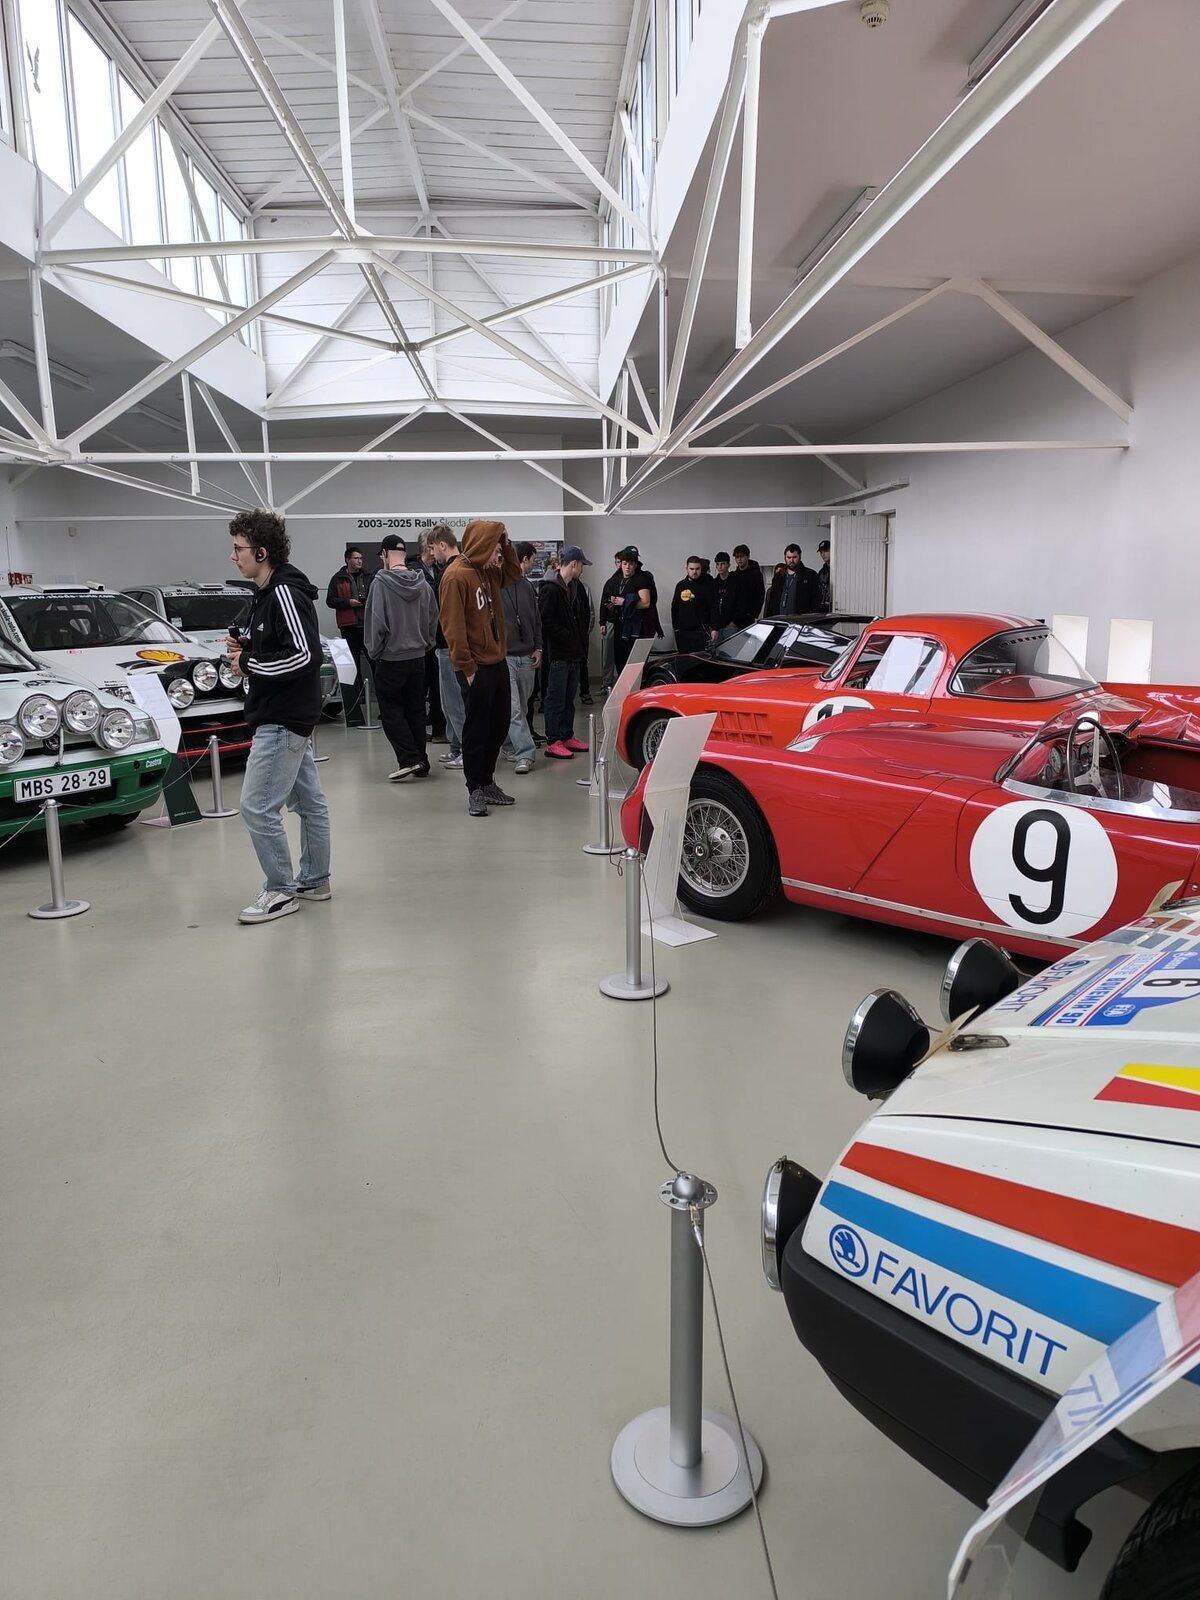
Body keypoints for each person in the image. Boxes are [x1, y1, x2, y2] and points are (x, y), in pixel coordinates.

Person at [226, 509, 330, 925]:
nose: (233, 555)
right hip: (289, 714)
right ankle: (315, 880)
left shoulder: (284, 592)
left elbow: (305, 655)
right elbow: (282, 645)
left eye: (239, 548)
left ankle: (281, 890)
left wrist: (247, 663)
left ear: (262, 552)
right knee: (308, 803)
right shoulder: (268, 593)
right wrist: (248, 646)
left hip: (282, 717)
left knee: (256, 806)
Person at [438, 519, 523, 817]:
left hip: (497, 661)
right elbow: (453, 628)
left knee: (498, 725)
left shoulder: (487, 571)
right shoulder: (455, 577)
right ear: (480, 546)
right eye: (494, 550)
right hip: (474, 667)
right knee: (476, 729)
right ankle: (475, 788)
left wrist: (507, 546)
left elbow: (513, 573)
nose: (497, 557)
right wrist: (467, 668)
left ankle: (487, 782)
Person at [364, 534, 438, 782]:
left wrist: (375, 652)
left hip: (391, 658)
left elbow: (376, 623)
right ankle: (422, 761)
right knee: (416, 710)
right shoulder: (423, 584)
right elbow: (433, 618)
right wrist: (426, 644)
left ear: (385, 555)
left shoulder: (380, 584)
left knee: (391, 711)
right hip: (418, 658)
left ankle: (409, 759)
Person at [538, 545, 592, 760]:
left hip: (574, 653)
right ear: (574, 564)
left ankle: (566, 735)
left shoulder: (575, 588)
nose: (582, 569)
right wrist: (568, 636)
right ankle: (553, 741)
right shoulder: (551, 589)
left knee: (569, 698)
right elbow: (545, 621)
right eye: (582, 565)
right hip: (558, 654)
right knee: (555, 699)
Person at [500, 541, 542, 776]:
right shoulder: (497, 586)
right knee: (514, 707)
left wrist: (539, 647)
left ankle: (509, 745)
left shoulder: (527, 587)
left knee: (522, 707)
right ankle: (525, 753)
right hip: (505, 657)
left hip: (527, 655)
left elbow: (536, 620)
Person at [428, 525, 466, 771]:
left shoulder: (452, 573)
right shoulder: (452, 570)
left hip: (450, 648)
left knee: (456, 703)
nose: (432, 554)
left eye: (433, 548)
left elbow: (452, 617)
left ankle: (465, 749)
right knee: (448, 703)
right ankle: (456, 747)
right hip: (444, 646)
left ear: (442, 545)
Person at [325, 544, 369, 725]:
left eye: (361, 558)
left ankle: (377, 699)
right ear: (347, 560)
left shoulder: (368, 576)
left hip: (367, 625)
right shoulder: (338, 578)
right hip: (349, 626)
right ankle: (357, 701)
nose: (359, 561)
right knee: (353, 665)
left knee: (374, 662)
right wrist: (347, 603)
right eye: (356, 558)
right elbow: (330, 600)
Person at [610, 545, 662, 674]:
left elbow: (646, 603)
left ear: (635, 565)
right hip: (620, 625)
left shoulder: (641, 579)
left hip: (637, 629)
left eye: (631, 564)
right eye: (625, 564)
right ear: (620, 564)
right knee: (620, 662)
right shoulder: (617, 579)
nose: (627, 567)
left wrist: (624, 602)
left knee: (635, 666)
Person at [417, 534, 445, 741]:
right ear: (428, 546)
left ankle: (439, 729)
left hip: (440, 636)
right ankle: (419, 731)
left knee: (438, 687)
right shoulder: (413, 572)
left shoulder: (441, 571)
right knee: (419, 687)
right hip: (419, 638)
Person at [671, 556, 716, 653]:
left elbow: (713, 608)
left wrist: (714, 628)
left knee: (701, 659)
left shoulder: (708, 586)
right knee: (684, 660)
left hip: (701, 632)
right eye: (691, 569)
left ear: (701, 568)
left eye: (697, 569)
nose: (694, 572)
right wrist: (676, 628)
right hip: (683, 632)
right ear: (686, 569)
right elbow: (674, 607)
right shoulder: (680, 585)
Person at [765, 543, 819, 615]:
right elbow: (772, 602)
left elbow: (815, 602)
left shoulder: (810, 575)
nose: (791, 560)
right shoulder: (778, 576)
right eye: (789, 557)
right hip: (779, 618)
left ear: (800, 556)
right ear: (785, 557)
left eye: (794, 557)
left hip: (801, 619)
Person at [598, 550, 623, 690]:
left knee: (623, 656)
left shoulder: (632, 580)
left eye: (622, 562)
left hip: (625, 624)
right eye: (618, 562)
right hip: (611, 622)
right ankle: (606, 683)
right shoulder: (611, 582)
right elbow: (604, 602)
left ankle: (623, 685)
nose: (620, 565)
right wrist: (602, 622)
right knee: (608, 655)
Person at [730, 543, 765, 628]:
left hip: (749, 617)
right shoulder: (734, 575)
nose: (739, 559)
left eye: (742, 556)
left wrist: (754, 614)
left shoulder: (756, 574)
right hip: (735, 617)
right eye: (737, 557)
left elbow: (760, 595)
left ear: (748, 556)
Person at [710, 551, 738, 635]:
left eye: (723, 564)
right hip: (716, 626)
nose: (720, 567)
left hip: (731, 624)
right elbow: (712, 605)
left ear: (728, 565)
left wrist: (735, 621)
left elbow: (740, 602)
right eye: (718, 564)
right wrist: (714, 625)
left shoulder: (736, 582)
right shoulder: (714, 583)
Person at [816, 538, 832, 611]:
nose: (823, 554)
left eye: (826, 551)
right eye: (821, 552)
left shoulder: (840, 570)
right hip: (824, 607)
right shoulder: (821, 572)